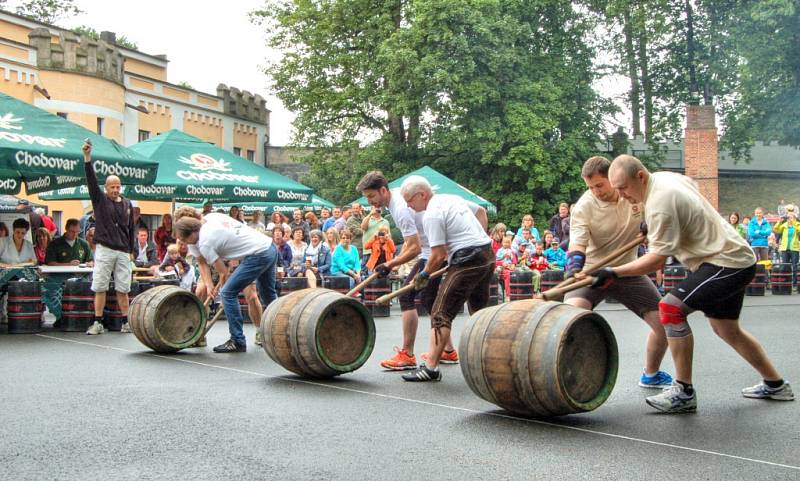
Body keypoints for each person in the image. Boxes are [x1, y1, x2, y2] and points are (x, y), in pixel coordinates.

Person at [597, 154, 792, 413]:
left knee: (670, 308)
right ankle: (776, 384)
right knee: (727, 329)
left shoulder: (660, 204)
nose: (621, 195)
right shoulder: (665, 178)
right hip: (734, 258)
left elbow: (656, 262)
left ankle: (683, 392)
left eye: (623, 187)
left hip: (725, 262)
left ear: (640, 176)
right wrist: (656, 226)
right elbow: (692, 189)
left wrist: (613, 272)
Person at [564, 155, 672, 389]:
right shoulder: (584, 207)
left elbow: (655, 217)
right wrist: (573, 267)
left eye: (599, 185)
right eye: (590, 187)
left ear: (613, 178)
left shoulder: (633, 193)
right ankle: (569, 379)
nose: (595, 191)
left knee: (665, 324)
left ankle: (651, 375)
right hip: (593, 272)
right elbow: (577, 245)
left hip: (627, 270)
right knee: (570, 320)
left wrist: (649, 225)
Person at [357, 172, 483, 371]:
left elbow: (414, 247)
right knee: (429, 301)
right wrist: (392, 263)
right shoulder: (398, 200)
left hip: (435, 253)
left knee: (408, 297)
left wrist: (391, 264)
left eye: (371, 196)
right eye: (367, 197)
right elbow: (411, 243)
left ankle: (407, 354)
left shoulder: (399, 207)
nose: (370, 201)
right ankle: (448, 351)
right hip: (433, 250)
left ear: (383, 190)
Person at [400, 177, 494, 382]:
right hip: (487, 253)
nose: (407, 205)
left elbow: (438, 255)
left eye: (409, 200)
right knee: (479, 312)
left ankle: (431, 368)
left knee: (440, 312)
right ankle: (488, 361)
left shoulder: (431, 214)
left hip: (467, 260)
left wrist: (423, 275)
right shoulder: (450, 198)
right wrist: (478, 237)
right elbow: (481, 212)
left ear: (422, 195)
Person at [174, 212, 277, 353]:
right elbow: (201, 263)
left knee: (228, 293)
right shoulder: (210, 218)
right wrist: (209, 285)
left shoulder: (205, 242)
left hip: (257, 254)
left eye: (184, 239)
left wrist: (223, 296)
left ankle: (237, 341)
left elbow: (223, 273)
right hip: (269, 247)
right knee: (269, 295)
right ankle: (281, 332)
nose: (183, 243)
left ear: (192, 233)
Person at [82, 141, 136, 335]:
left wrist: (131, 251)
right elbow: (90, 180)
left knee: (123, 287)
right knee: (100, 286)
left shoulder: (128, 204)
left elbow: (131, 228)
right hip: (104, 247)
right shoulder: (100, 199)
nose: (115, 190)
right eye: (112, 186)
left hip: (122, 250)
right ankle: (97, 322)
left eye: (118, 186)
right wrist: (87, 158)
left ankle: (126, 321)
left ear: (121, 187)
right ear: (106, 188)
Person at [772, 209, 800, 282]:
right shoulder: (784, 225)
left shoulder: (797, 224)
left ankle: (794, 283)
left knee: (794, 266)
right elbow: (776, 229)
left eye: (791, 217)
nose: (789, 218)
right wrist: (779, 222)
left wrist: (793, 223)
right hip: (785, 249)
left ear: (794, 217)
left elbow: (799, 230)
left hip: (794, 249)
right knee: (785, 266)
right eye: (788, 217)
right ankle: (786, 282)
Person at [495, 235, 517, 301]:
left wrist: (513, 265)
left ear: (510, 243)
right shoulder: (499, 251)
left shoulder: (512, 251)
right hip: (502, 267)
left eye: (508, 243)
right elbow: (496, 260)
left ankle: (516, 294)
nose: (506, 244)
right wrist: (502, 261)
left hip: (509, 267)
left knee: (515, 273)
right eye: (505, 242)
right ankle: (508, 295)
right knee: (508, 274)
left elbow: (514, 261)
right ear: (502, 243)